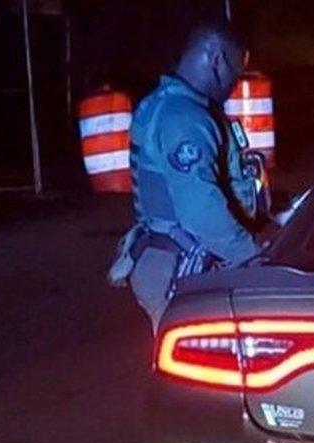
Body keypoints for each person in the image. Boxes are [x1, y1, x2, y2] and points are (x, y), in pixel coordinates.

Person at [109, 22, 264, 333]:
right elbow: (201, 211)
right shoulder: (184, 118)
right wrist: (255, 259)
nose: (234, 85)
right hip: (183, 267)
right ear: (216, 59)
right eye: (234, 73)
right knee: (210, 373)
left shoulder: (168, 104)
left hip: (174, 257)